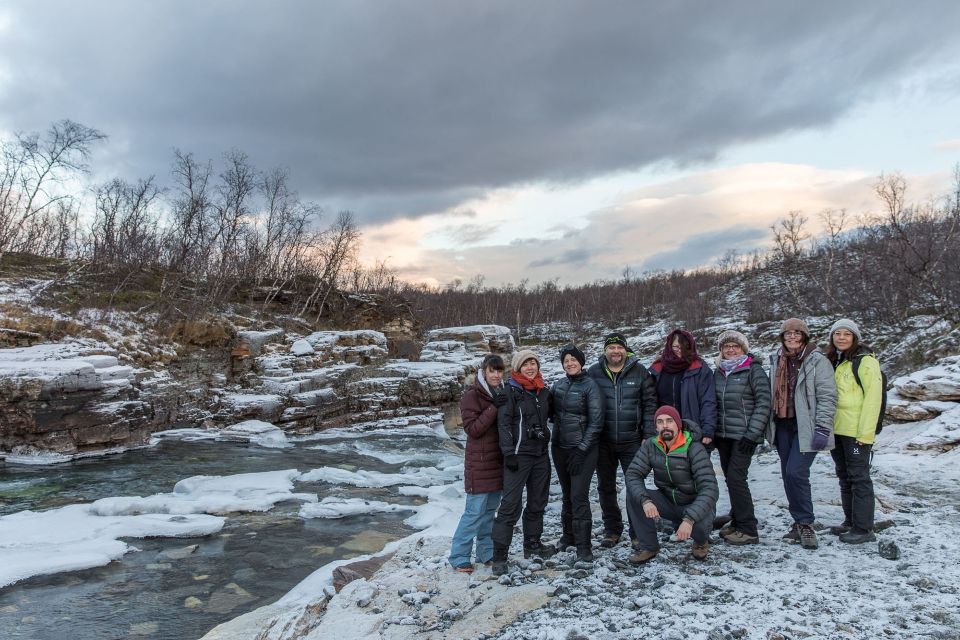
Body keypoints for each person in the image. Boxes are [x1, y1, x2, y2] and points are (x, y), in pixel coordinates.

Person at [765, 318, 837, 550]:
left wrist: (823, 427)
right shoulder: (777, 359)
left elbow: (827, 396)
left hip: (806, 425)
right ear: (782, 338)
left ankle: (806, 523)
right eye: (788, 334)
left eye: (797, 333)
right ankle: (798, 523)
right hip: (783, 424)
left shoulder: (818, 361)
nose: (792, 337)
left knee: (797, 472)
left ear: (804, 336)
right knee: (788, 474)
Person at [587, 332, 658, 549]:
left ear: (625, 350)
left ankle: (637, 532)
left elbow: (649, 404)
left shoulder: (640, 372)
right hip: (604, 441)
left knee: (634, 486)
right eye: (611, 348)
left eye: (619, 348)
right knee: (605, 486)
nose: (615, 351)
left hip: (632, 441)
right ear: (605, 350)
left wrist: (647, 434)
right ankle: (612, 529)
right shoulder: (594, 372)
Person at [625, 405, 719, 563]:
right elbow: (633, 474)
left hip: (693, 502)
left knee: (700, 528)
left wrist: (689, 520)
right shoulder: (651, 445)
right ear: (656, 427)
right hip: (668, 500)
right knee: (633, 496)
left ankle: (701, 542)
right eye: (660, 422)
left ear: (678, 424)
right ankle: (649, 546)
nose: (665, 425)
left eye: (670, 421)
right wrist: (646, 501)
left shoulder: (694, 448)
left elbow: (710, 489)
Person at [491, 349, 553, 575]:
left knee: (538, 501)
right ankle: (499, 556)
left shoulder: (543, 391)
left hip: (540, 455)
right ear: (517, 368)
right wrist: (509, 453)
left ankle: (533, 545)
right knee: (510, 506)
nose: (530, 368)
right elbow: (504, 425)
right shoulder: (510, 392)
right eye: (526, 364)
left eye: (533, 364)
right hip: (518, 456)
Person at [826, 318, 882, 544]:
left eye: (846, 334)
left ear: (855, 338)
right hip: (838, 430)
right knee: (844, 476)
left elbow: (873, 400)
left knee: (859, 478)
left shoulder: (865, 362)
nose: (841, 338)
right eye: (837, 334)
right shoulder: (837, 361)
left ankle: (864, 528)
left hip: (856, 431)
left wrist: (865, 434)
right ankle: (850, 522)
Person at [713, 330, 771, 545]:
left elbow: (764, 403)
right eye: (726, 346)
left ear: (743, 349)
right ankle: (736, 521)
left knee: (737, 479)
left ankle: (748, 529)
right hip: (724, 436)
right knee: (730, 478)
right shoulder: (718, 372)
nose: (730, 349)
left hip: (744, 436)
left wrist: (752, 434)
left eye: (735, 346)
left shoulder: (753, 370)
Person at [449, 354, 506, 573]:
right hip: (479, 466)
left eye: (499, 371)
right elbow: (472, 430)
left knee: (489, 513)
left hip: (497, 463)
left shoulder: (501, 392)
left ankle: (486, 553)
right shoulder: (471, 396)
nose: (496, 375)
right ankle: (459, 556)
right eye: (492, 371)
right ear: (483, 372)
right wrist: (494, 408)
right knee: (473, 514)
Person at [550, 344, 604, 561]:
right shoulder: (558, 385)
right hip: (559, 448)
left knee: (579, 495)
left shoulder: (591, 386)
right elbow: (547, 412)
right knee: (566, 494)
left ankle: (584, 546)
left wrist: (581, 450)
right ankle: (568, 536)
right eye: (566, 360)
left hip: (584, 449)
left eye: (574, 359)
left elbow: (596, 422)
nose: (570, 363)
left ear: (581, 362)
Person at [649, 328, 717, 446]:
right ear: (669, 346)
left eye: (683, 347)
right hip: (664, 433)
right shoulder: (657, 370)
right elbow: (649, 403)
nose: (679, 350)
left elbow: (708, 401)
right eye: (675, 347)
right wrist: (649, 430)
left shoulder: (700, 369)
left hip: (693, 432)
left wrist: (708, 430)